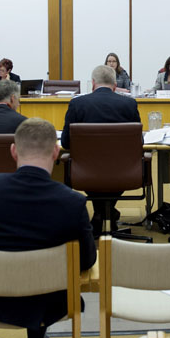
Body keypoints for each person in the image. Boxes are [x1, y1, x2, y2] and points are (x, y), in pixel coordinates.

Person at [0, 117, 96, 338]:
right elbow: (87, 259)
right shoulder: (72, 202)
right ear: (56, 152)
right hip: (49, 304)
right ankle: (36, 337)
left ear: (13, 151)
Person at [61, 65, 141, 235]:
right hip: (123, 171)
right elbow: (138, 143)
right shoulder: (129, 104)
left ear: (93, 83)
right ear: (115, 85)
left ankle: (100, 213)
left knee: (95, 176)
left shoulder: (77, 104)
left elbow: (66, 143)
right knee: (112, 176)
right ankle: (107, 212)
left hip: (85, 171)